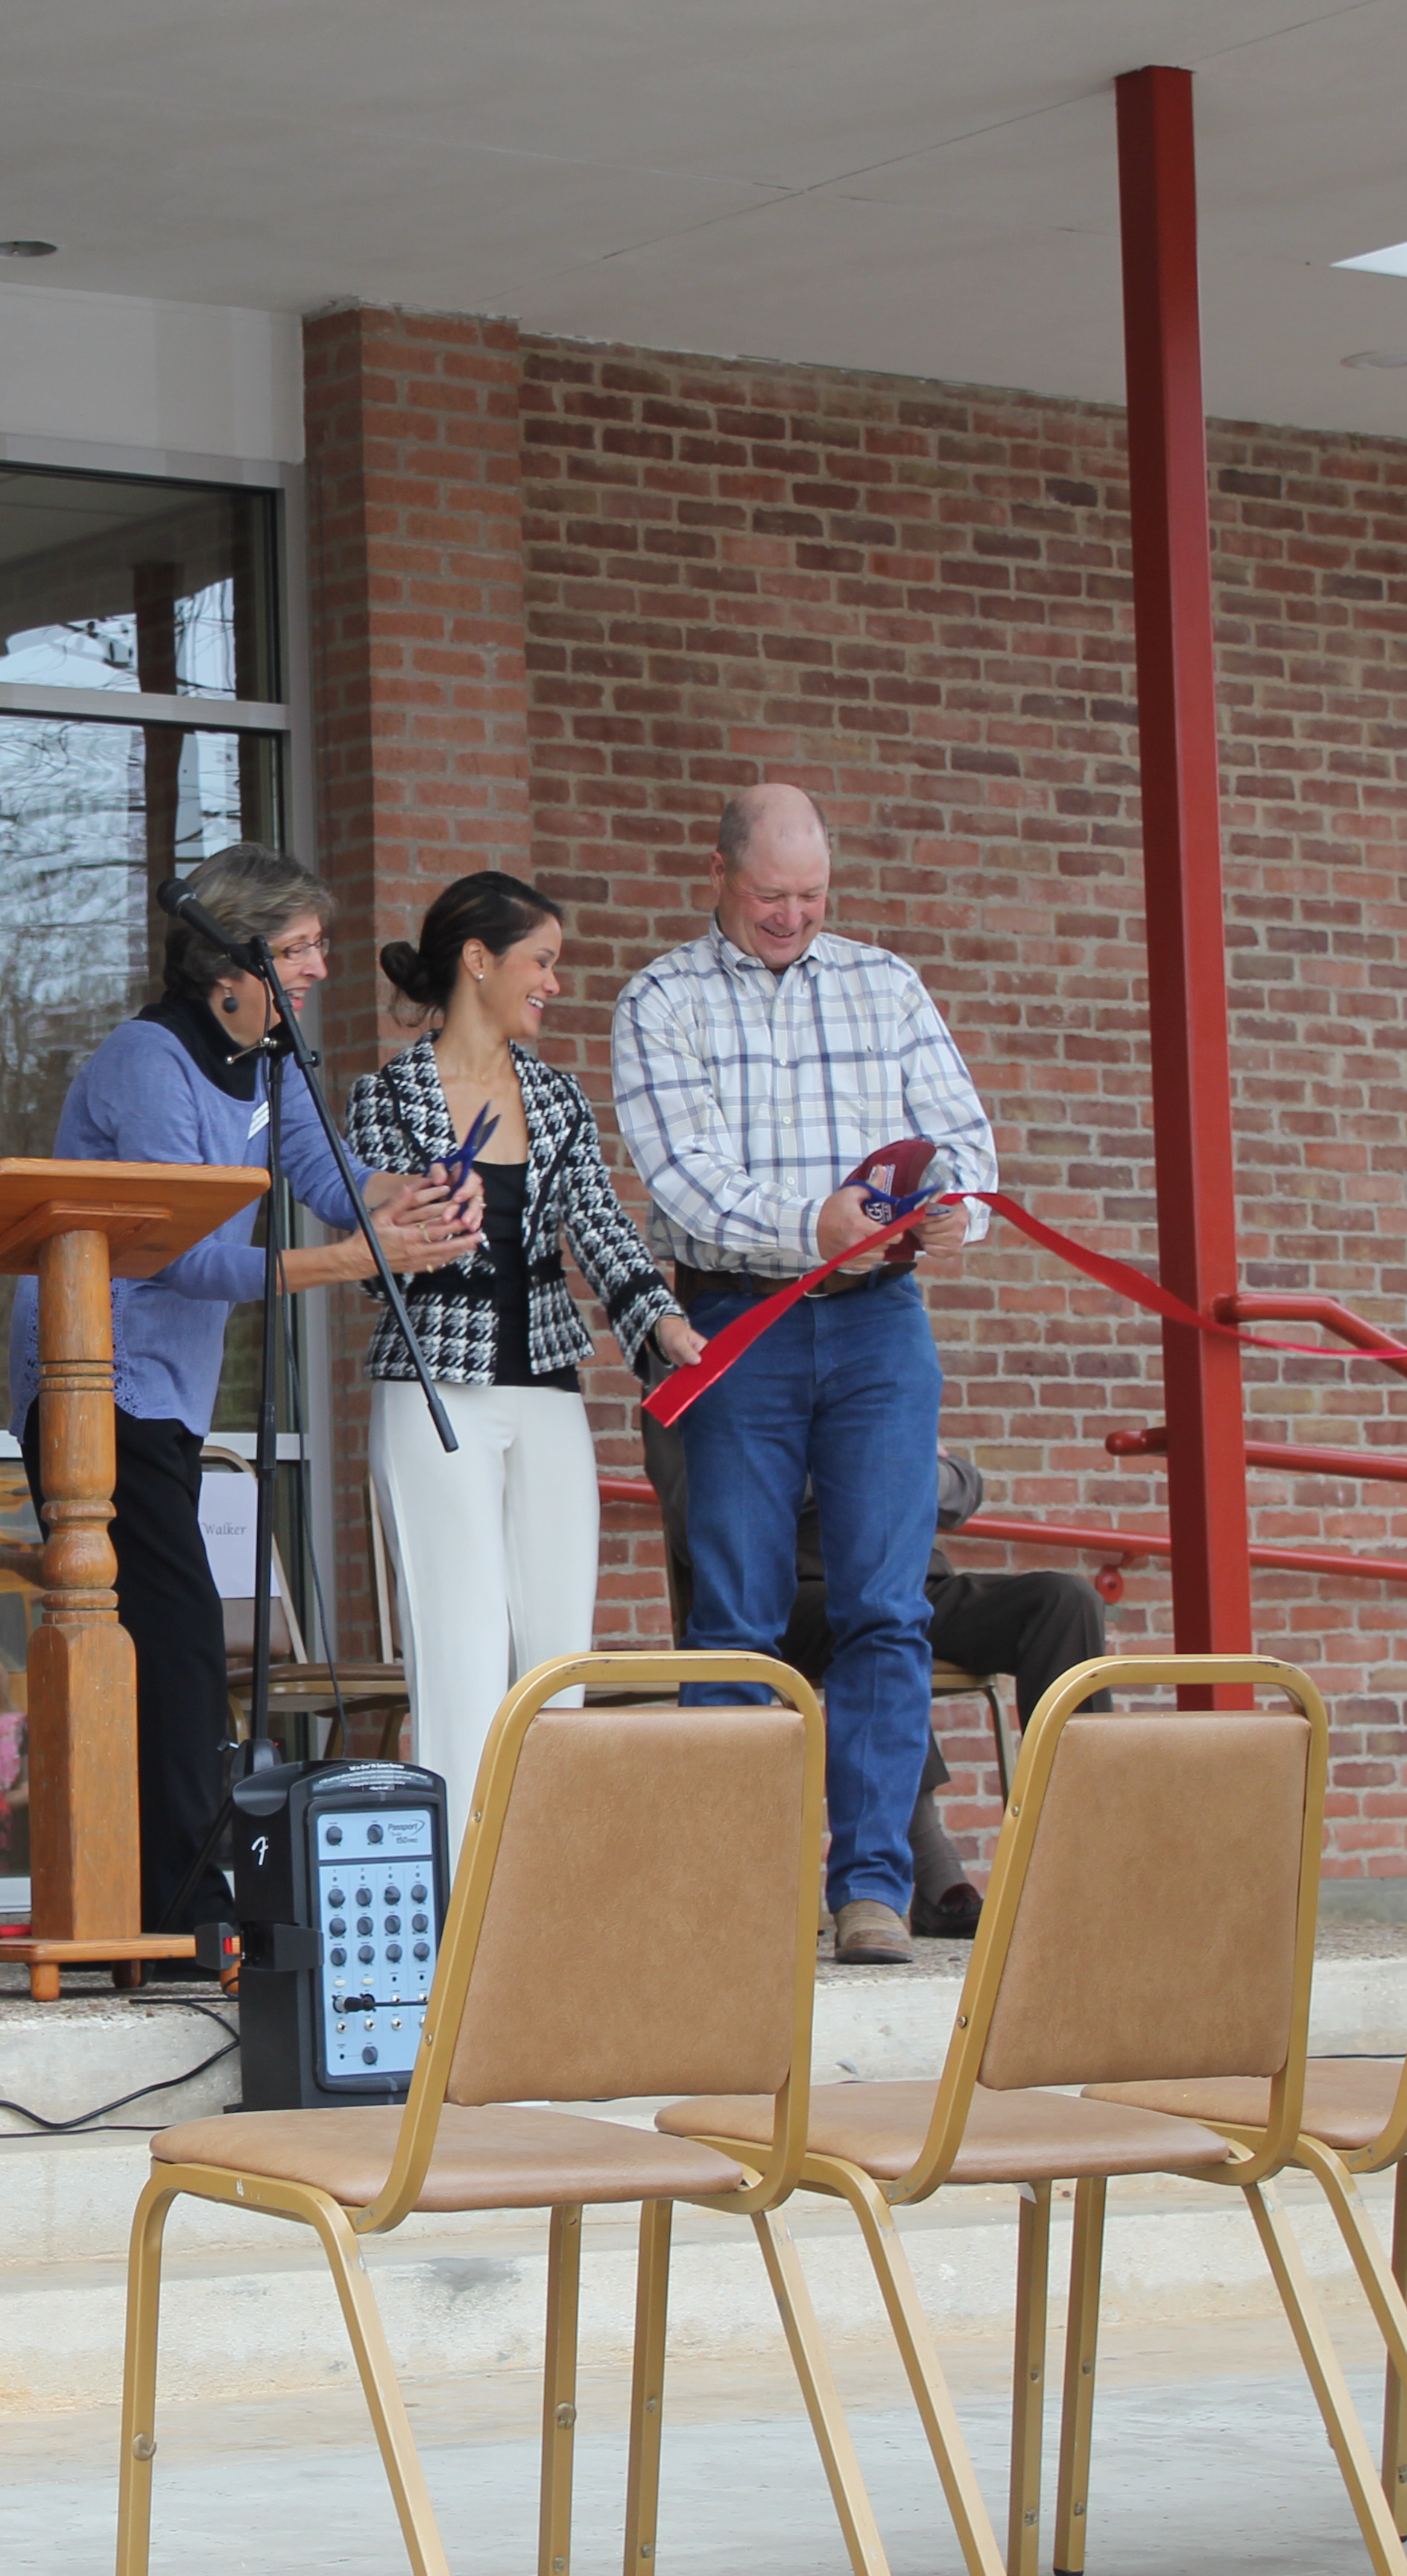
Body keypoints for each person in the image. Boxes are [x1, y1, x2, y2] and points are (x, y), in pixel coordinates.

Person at [4, 845, 472, 1939]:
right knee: (170, 1640)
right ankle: (179, 1900)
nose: (315, 969)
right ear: (230, 959)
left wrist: (421, 1193)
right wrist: (357, 1263)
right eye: (297, 948)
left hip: (167, 1393)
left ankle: (170, 1891)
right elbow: (186, 1258)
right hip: (92, 1376)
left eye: (316, 948)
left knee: (172, 1642)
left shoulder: (271, 1061)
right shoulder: (149, 1060)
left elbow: (331, 1180)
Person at [611, 780, 999, 1966]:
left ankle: (872, 1887)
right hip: (739, 1320)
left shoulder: (884, 983)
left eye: (813, 895)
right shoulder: (660, 999)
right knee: (738, 1614)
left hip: (883, 1325)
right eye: (772, 895)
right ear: (720, 877)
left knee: (889, 1606)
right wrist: (812, 1226)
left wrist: (953, 1214)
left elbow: (969, 1142)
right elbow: (680, 1179)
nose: (793, 916)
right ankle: (738, 1890)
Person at [349, 872, 704, 1805]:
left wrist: (663, 1323)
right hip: (432, 1391)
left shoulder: (555, 1097)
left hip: (545, 1387)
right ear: (479, 961)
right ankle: (461, 1895)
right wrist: (429, 1209)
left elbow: (602, 1224)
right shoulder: (386, 1096)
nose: (554, 982)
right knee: (459, 1650)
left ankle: (542, 1889)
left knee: (557, 1655)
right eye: (541, 961)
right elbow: (374, 1246)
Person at [642, 1427, 1113, 1936]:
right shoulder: (701, 1376)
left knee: (1065, 1602)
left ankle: (1080, 1866)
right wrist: (858, 1463)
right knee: (878, 1626)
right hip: (789, 1597)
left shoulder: (866, 1373)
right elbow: (696, 1507)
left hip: (916, 1585)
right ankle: (935, 1873)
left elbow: (963, 1489)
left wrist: (883, 1465)